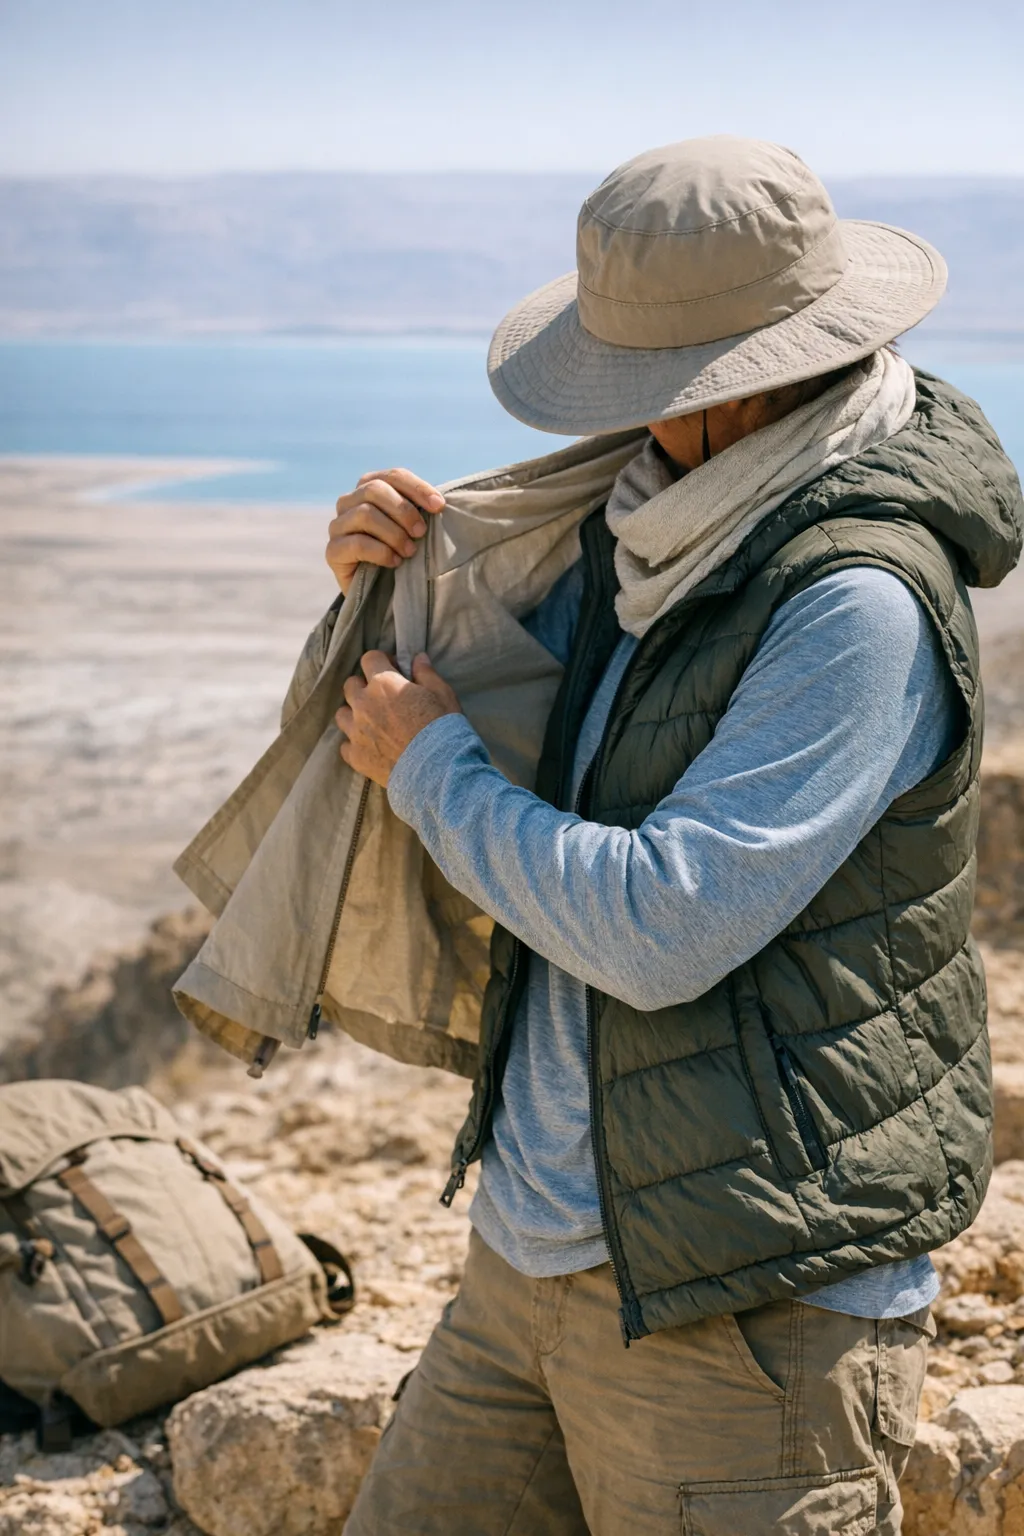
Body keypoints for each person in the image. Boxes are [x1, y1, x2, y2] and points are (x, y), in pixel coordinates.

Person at [326, 137, 1022, 1533]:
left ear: (750, 385)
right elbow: (533, 727)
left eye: (653, 391)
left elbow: (661, 926)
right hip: (532, 1260)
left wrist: (430, 766)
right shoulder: (658, 524)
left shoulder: (857, 604)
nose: (627, 424)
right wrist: (399, 580)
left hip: (746, 1312)